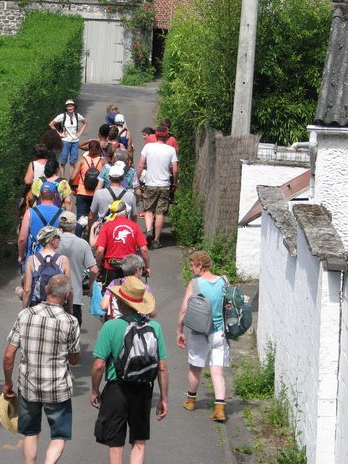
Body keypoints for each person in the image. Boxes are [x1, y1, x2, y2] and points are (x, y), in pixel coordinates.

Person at [3, 274, 80, 464]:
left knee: (30, 432)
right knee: (59, 435)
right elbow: (75, 358)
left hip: (29, 386)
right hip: (57, 388)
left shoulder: (25, 315)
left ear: (46, 289)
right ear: (67, 295)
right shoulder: (70, 322)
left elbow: (9, 354)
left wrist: (8, 382)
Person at [91, 276, 168, 464]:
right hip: (143, 389)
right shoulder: (155, 327)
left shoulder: (110, 327)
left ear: (120, 302)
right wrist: (164, 398)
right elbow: (162, 368)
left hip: (116, 388)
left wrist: (95, 390)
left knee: (116, 443)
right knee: (139, 441)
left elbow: (99, 365)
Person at [176, 250, 228, 423]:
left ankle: (191, 401)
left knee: (195, 367)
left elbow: (184, 309)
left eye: (192, 265)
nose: (191, 269)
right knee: (217, 371)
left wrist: (179, 331)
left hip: (199, 332)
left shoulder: (195, 283)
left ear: (200, 265)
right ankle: (219, 408)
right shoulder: (223, 281)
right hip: (219, 333)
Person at [136, 126, 178, 249]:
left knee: (149, 210)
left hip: (150, 184)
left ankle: (149, 230)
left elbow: (140, 165)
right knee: (160, 212)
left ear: (156, 136)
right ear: (166, 136)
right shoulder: (171, 150)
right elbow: (175, 169)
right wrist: (174, 183)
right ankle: (156, 240)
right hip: (164, 185)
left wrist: (136, 179)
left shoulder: (148, 147)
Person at [56, 211, 98, 327]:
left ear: (60, 225)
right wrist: (90, 285)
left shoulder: (54, 242)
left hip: (55, 294)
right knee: (73, 331)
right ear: (75, 225)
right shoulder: (82, 243)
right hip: (75, 295)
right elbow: (94, 269)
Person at [95, 200, 150, 286]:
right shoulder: (134, 226)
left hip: (111, 267)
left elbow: (99, 251)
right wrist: (147, 267)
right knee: (130, 294)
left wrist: (98, 266)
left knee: (110, 294)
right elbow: (144, 250)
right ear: (125, 212)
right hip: (130, 267)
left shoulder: (106, 226)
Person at [22, 226, 72, 311]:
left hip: (36, 306)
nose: (59, 239)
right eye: (58, 237)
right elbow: (69, 288)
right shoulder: (63, 260)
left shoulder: (32, 259)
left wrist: (24, 310)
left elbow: (27, 290)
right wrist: (70, 309)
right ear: (51, 240)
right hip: (58, 307)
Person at [18, 181, 64, 267]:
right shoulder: (63, 214)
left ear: (40, 194)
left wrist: (21, 256)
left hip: (35, 260)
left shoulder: (30, 213)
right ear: (55, 195)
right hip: (56, 261)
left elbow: (22, 239)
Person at [100, 254, 154, 321]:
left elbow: (104, 306)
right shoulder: (144, 288)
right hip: (137, 325)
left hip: (118, 322)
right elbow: (152, 313)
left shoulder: (114, 283)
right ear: (138, 269)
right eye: (142, 268)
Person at [70, 139, 105, 234]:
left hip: (82, 193)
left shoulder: (82, 160)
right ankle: (93, 239)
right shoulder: (102, 162)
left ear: (88, 150)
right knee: (96, 219)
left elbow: (72, 177)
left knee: (80, 219)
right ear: (99, 150)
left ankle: (77, 239)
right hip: (97, 195)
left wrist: (73, 188)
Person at [49, 99, 87, 175]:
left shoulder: (77, 115)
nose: (70, 108)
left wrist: (80, 132)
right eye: (68, 106)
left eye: (71, 106)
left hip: (75, 142)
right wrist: (59, 134)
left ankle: (71, 182)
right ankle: (62, 180)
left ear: (74, 107)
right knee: (63, 162)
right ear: (66, 107)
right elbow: (51, 124)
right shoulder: (62, 116)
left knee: (73, 162)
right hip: (65, 141)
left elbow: (85, 123)